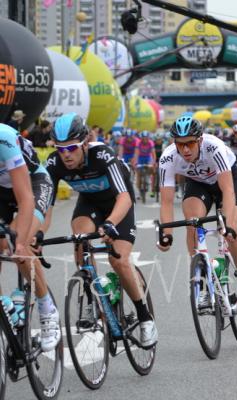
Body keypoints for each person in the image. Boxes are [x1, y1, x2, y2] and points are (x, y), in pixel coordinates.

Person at [45, 113, 158, 347]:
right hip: (90, 203)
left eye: (72, 148)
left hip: (118, 204)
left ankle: (144, 317)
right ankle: (91, 300)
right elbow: (45, 207)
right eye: (60, 148)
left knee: (119, 261)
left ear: (85, 143)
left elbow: (125, 198)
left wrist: (110, 224)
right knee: (80, 240)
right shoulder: (55, 164)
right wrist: (35, 235)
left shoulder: (103, 155)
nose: (66, 154)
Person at [157, 116, 237, 317]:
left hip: (225, 182)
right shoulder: (167, 158)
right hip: (198, 184)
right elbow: (167, 201)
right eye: (180, 145)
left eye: (190, 144)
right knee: (192, 223)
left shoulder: (214, 147)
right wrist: (166, 233)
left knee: (232, 231)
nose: (185, 150)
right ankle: (202, 285)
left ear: (200, 140)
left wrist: (228, 223)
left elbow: (228, 190)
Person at [0, 123, 60, 352]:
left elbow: (26, 200)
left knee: (17, 246)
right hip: (2, 192)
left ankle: (47, 308)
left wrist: (21, 240)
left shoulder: (4, 138)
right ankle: (6, 306)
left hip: (33, 184)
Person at [132, 131, 156, 198]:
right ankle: (139, 192)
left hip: (148, 158)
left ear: (148, 138)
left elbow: (153, 154)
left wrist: (153, 162)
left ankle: (148, 179)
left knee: (151, 168)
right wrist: (135, 162)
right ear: (141, 138)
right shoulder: (138, 143)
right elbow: (136, 153)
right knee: (138, 174)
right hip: (140, 158)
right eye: (143, 138)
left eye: (146, 138)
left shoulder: (150, 142)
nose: (145, 140)